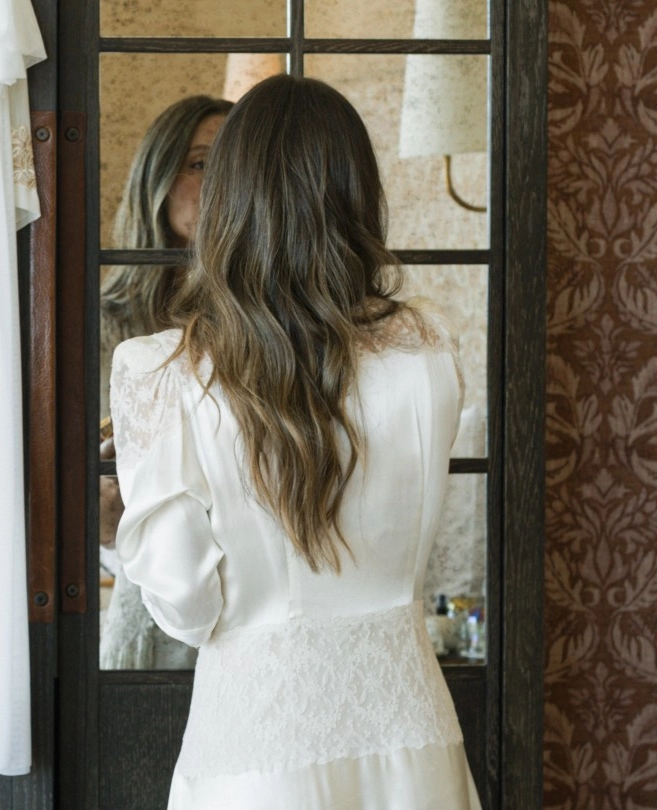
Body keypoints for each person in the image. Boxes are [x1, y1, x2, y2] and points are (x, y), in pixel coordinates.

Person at [109, 75, 481, 807]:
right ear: (358, 191)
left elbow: (185, 608)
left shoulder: (160, 371)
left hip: (255, 740)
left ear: (231, 197)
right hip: (411, 731)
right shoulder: (429, 347)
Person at [99, 95, 232, 670]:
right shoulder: (99, 330)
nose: (220, 181)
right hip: (149, 609)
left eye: (234, 163)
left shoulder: (264, 326)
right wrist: (108, 529)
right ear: (157, 178)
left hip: (259, 602)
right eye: (201, 163)